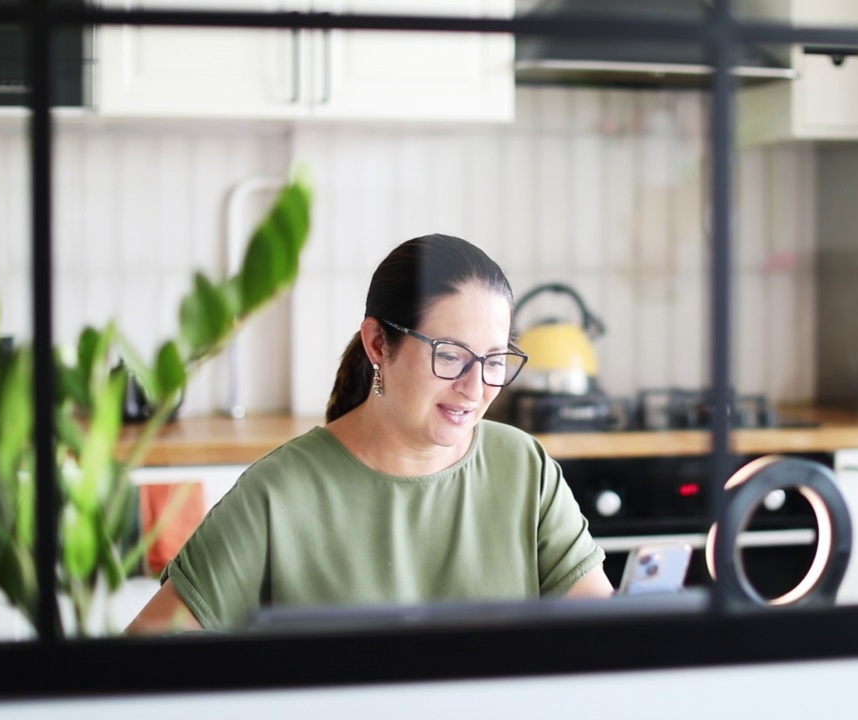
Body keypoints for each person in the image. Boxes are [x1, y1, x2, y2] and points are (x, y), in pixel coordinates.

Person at [127, 234, 613, 634]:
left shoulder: (525, 468)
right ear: (379, 343)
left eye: (494, 360)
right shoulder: (279, 493)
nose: (474, 387)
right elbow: (143, 666)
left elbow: (605, 639)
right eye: (449, 355)